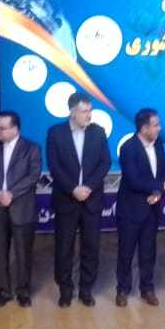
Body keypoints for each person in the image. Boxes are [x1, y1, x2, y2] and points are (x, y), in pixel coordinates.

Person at [46, 93, 111, 307]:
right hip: (67, 199)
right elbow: (54, 166)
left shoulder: (98, 132)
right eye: (84, 111)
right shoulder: (55, 133)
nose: (89, 115)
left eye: (90, 111)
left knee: (91, 248)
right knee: (64, 248)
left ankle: (86, 290)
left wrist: (88, 187)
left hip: (92, 200)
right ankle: (65, 290)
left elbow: (105, 163)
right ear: (72, 111)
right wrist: (73, 189)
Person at [0, 110, 42, 307]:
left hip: (21, 208)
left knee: (23, 254)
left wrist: (11, 194)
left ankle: (23, 292)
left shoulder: (31, 148)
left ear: (15, 129)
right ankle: (3, 292)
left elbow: (33, 175)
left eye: (2, 128)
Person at [116, 108, 165, 307]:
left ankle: (147, 289)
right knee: (126, 252)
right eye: (156, 125)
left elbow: (164, 170)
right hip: (131, 209)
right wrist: (161, 186)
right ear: (143, 128)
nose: (160, 128)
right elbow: (133, 180)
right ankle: (122, 290)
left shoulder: (158, 143)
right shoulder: (128, 148)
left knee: (148, 251)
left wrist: (158, 193)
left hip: (152, 208)